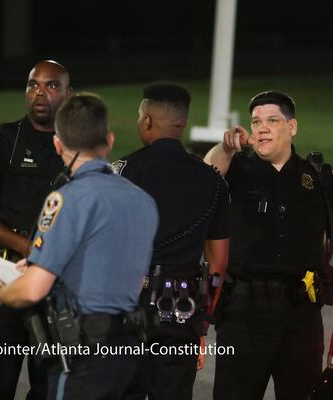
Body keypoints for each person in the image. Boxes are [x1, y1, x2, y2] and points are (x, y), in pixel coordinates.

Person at [0, 92, 159, 399]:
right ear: (110, 140)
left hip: (86, 357)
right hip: (131, 354)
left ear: (58, 144)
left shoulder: (68, 199)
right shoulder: (143, 200)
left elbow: (34, 289)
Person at [203, 90, 333, 400]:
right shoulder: (237, 169)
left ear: (292, 127)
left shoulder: (318, 176)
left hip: (300, 318)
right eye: (256, 122)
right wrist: (225, 148)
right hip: (243, 314)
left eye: (272, 120)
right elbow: (207, 173)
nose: (261, 127)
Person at [112, 82, 230, 400]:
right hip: (182, 311)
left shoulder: (124, 172)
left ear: (147, 120)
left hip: (129, 308)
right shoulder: (213, 182)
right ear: (183, 122)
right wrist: (202, 324)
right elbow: (218, 263)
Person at [0, 60, 72, 399]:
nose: (39, 91)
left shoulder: (76, 151)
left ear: (68, 94)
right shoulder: (1, 140)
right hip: (2, 275)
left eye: (51, 85)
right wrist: (28, 248)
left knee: (50, 390)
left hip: (56, 287)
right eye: (33, 84)